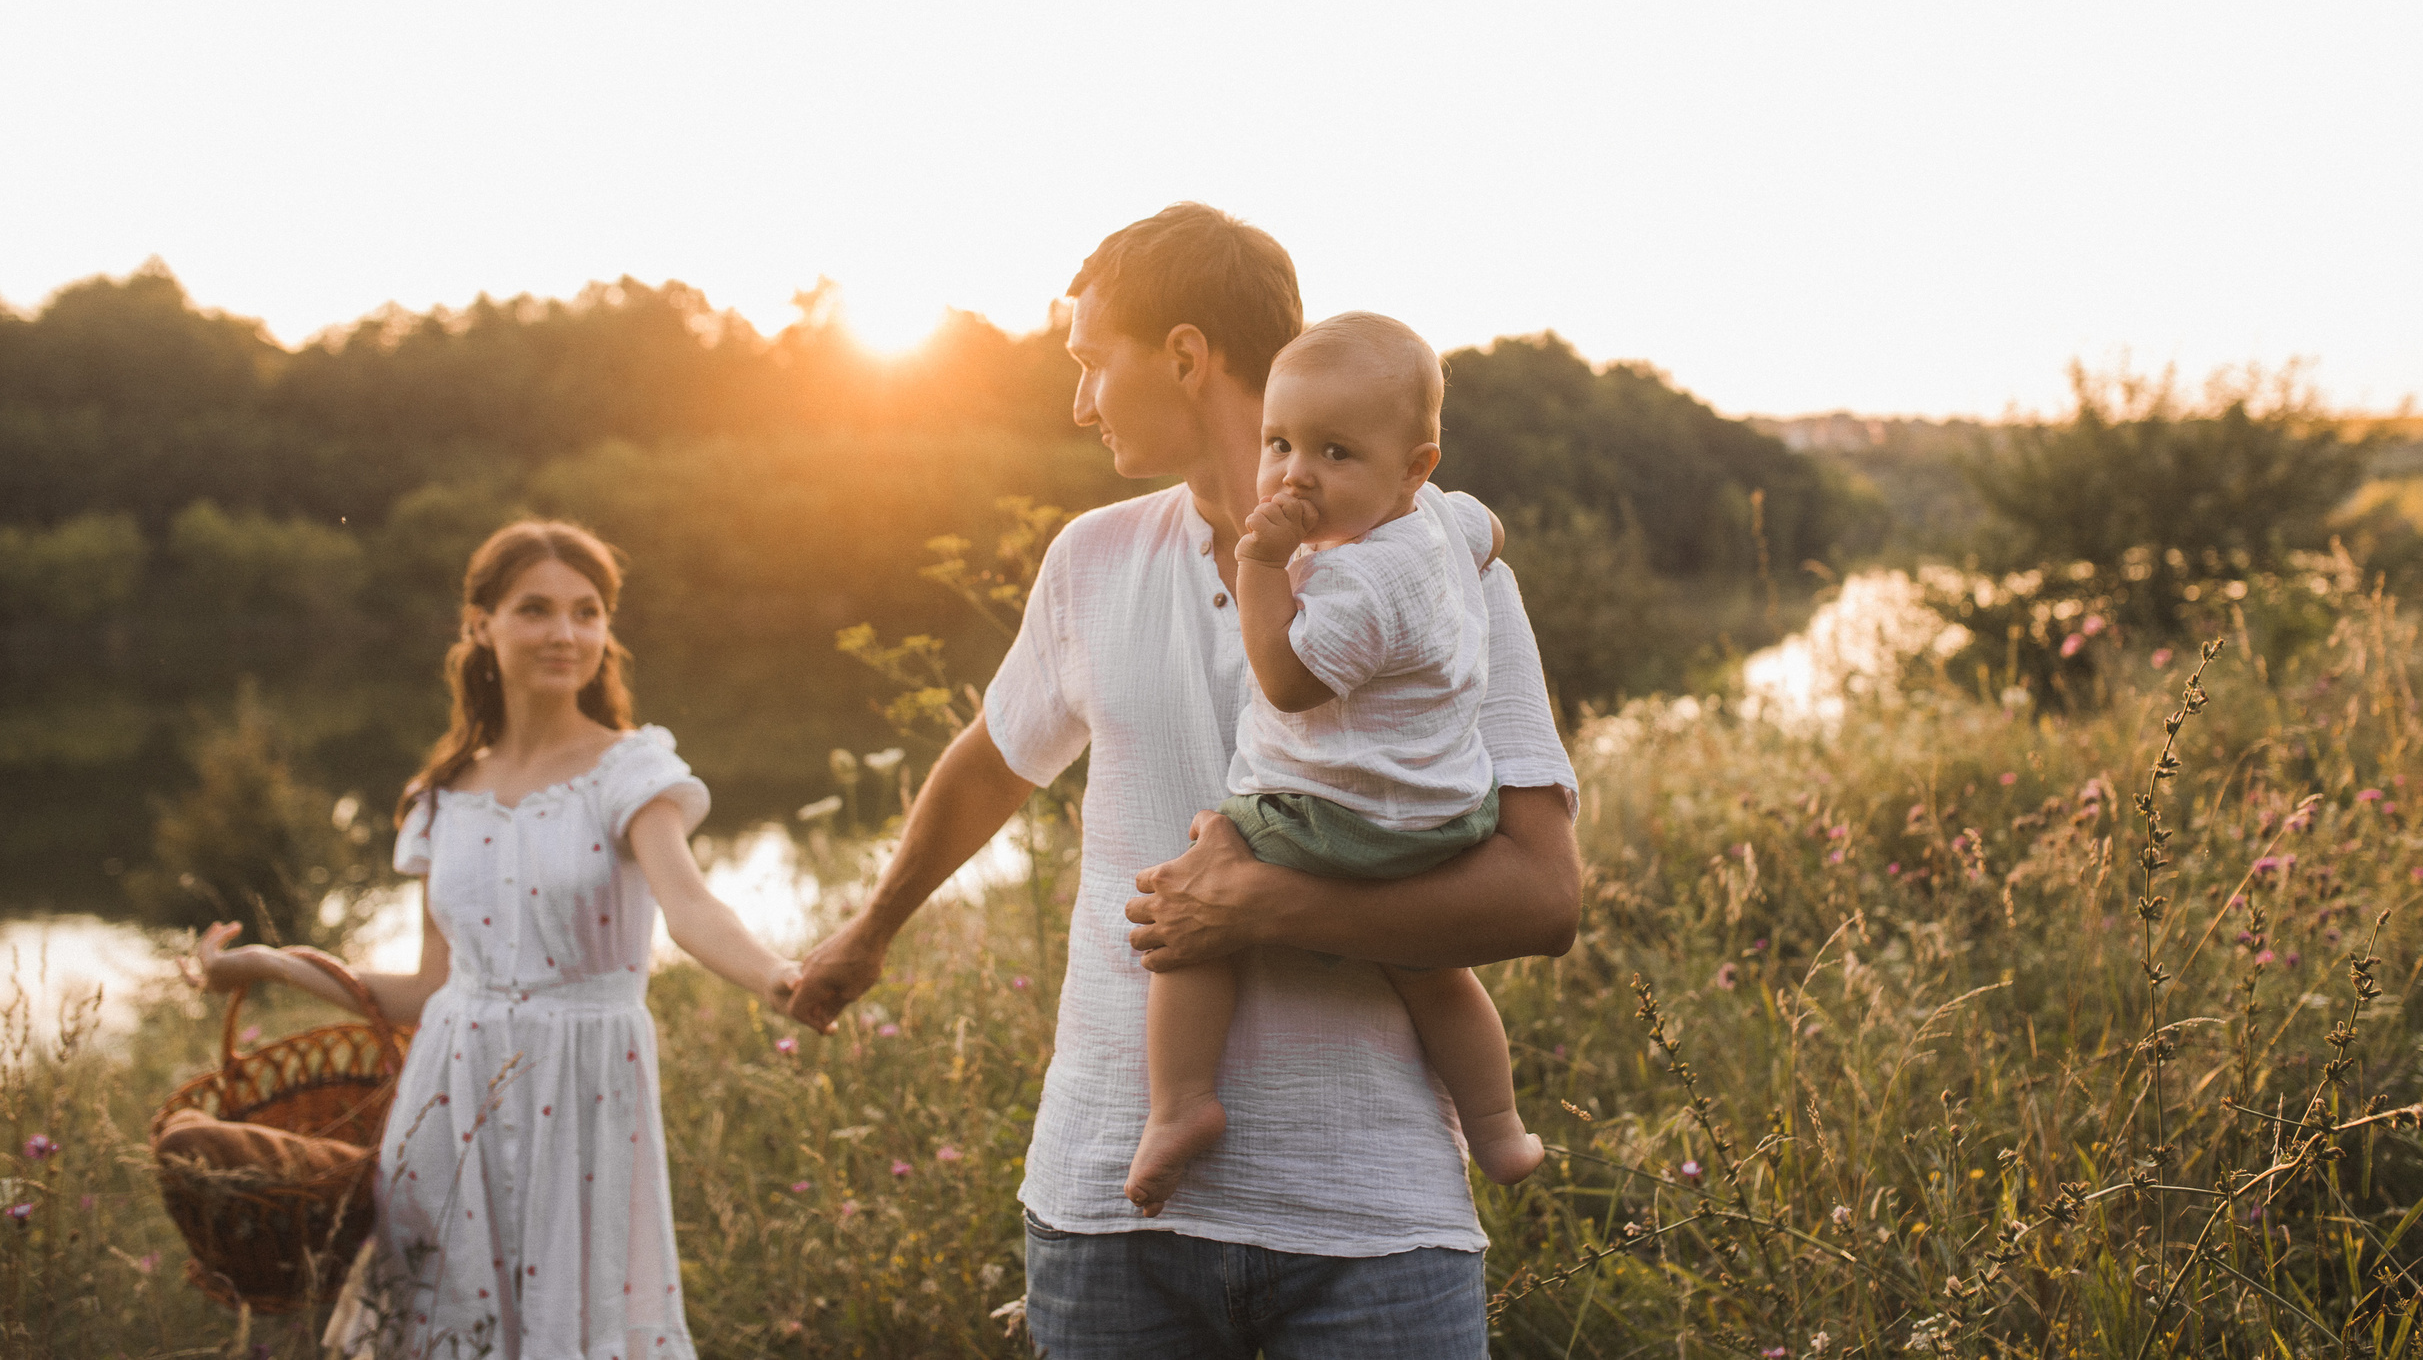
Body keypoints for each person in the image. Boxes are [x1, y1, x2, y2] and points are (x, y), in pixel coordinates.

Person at [788, 205, 1581, 1360]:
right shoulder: (1092, 559)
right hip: (1110, 1203)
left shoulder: (1441, 576)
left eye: (1088, 362)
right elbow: (991, 761)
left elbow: (1543, 900)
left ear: (1183, 355)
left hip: (1373, 1224)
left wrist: (1271, 906)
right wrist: (869, 931)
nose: (1077, 403)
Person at [184, 520, 801, 1360]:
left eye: (588, 612)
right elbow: (428, 987)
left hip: (584, 1089)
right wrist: (270, 964)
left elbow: (691, 908)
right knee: (437, 1318)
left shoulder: (632, 771)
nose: (566, 633)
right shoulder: (442, 795)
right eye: (536, 609)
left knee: (573, 1322)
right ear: (480, 624)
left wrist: (780, 978)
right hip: (449, 1088)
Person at [1123, 312, 1542, 1217]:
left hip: (1339, 819)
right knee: (1432, 971)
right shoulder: (1440, 521)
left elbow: (1284, 682)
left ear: (1413, 465)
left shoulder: (1356, 583)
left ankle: (1180, 1105)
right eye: (1280, 442)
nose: (1296, 472)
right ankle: (1500, 1126)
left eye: (1336, 451)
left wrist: (1262, 559)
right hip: (1442, 820)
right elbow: (1489, 528)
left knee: (1191, 893)